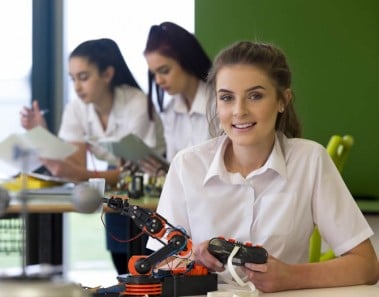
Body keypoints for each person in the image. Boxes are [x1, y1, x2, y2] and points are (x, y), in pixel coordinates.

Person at [147, 41, 379, 292]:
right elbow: (156, 265)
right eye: (226, 98)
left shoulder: (309, 159)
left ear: (283, 100)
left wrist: (291, 276)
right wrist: (193, 260)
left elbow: (366, 265)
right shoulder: (186, 166)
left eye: (255, 96)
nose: (239, 111)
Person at [20, 38, 165, 275]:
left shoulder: (137, 103)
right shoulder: (77, 108)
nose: (77, 86)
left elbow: (135, 172)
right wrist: (41, 135)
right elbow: (76, 168)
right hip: (115, 183)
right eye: (72, 78)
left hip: (153, 182)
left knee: (152, 267)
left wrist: (80, 173)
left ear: (107, 74)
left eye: (84, 77)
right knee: (124, 268)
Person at [140, 22, 212, 174]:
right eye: (154, 74)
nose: (158, 80)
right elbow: (175, 166)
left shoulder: (220, 104)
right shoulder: (171, 110)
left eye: (164, 71)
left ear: (187, 60)